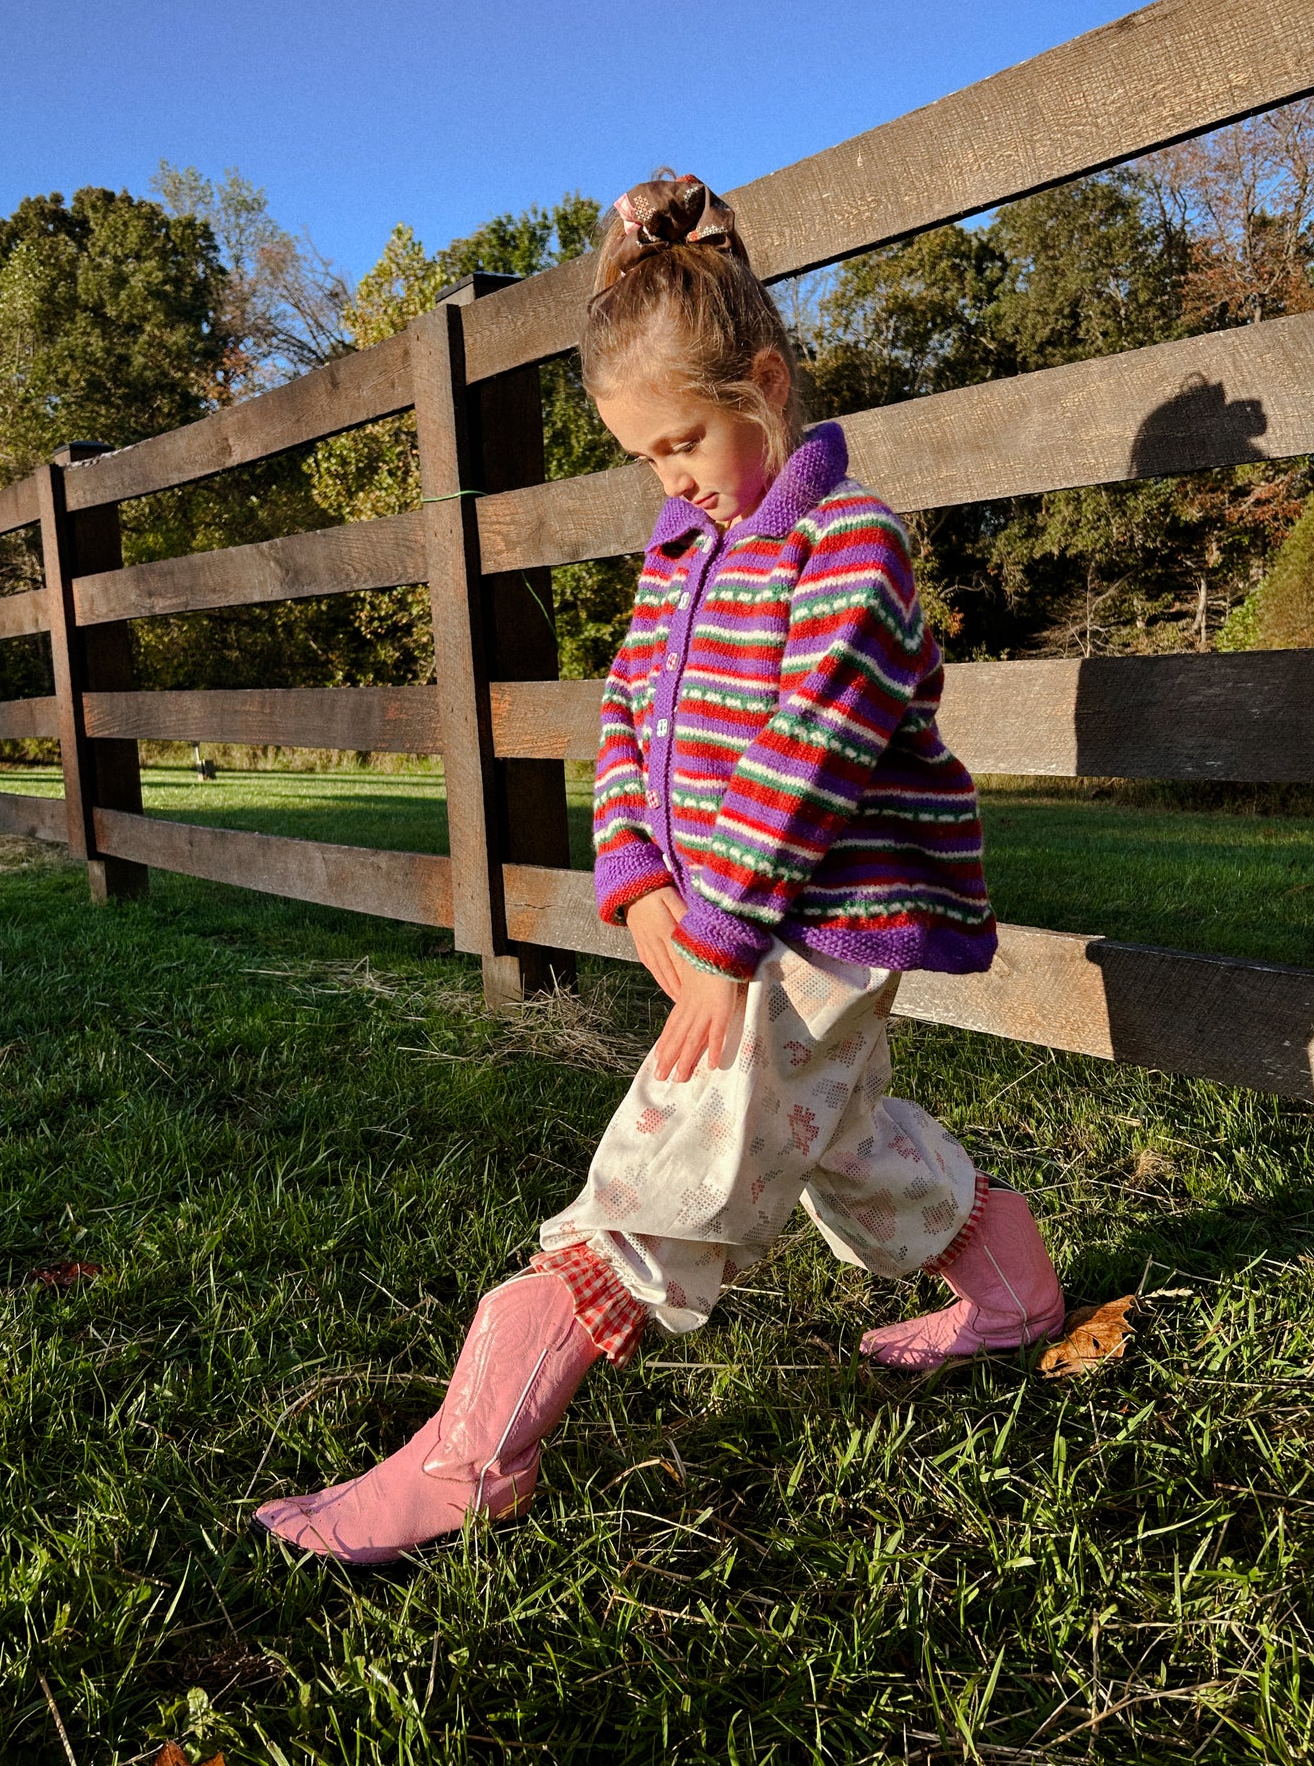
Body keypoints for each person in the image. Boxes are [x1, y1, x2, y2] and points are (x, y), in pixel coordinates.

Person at [256, 176, 1064, 1566]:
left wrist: (731, 943)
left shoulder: (847, 546)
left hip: (813, 927)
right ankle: (1011, 1287)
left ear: (763, 383)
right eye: (644, 457)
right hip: (723, 929)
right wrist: (634, 884)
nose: (671, 478)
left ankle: (473, 1461)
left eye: (683, 441)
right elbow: (626, 712)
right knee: (827, 1142)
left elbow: (810, 748)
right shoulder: (682, 550)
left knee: (663, 1173)